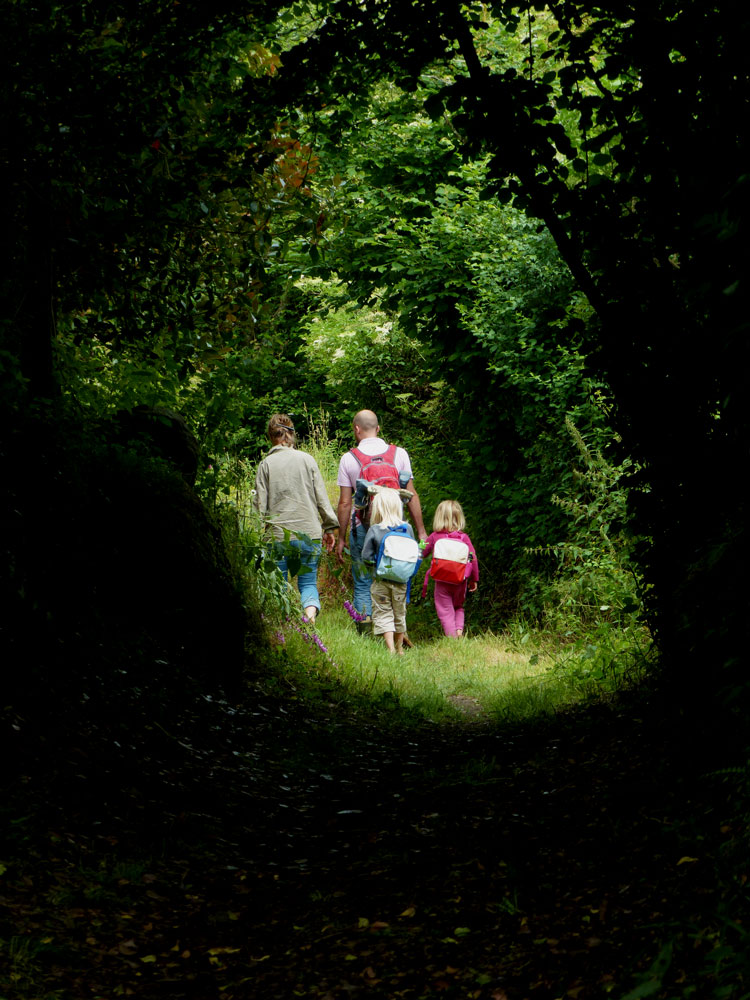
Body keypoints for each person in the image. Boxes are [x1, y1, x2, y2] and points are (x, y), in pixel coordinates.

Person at [336, 409, 426, 620]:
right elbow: (411, 494)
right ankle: (394, 630)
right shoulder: (399, 454)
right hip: (396, 529)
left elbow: (345, 503)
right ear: (378, 429)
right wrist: (420, 531)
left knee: (363, 582)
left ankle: (367, 630)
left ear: (356, 429)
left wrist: (341, 537)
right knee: (397, 579)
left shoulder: (348, 459)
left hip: (363, 529)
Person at [255, 414, 337, 624]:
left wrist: (257, 533)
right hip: (309, 534)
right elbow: (322, 498)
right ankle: (309, 618)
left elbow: (259, 507)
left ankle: (286, 626)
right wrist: (329, 527)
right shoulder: (307, 460)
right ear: (291, 434)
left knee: (280, 584)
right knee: (308, 582)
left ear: (271, 437)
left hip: (278, 536)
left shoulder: (266, 464)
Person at [360, 489, 415, 654]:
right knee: (399, 613)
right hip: (402, 581)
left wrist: (373, 565)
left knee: (384, 612)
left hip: (381, 580)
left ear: (377, 509)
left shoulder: (375, 529)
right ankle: (400, 649)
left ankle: (390, 648)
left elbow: (366, 556)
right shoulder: (408, 529)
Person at [420, 500, 479, 638]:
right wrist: (474, 579)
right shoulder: (464, 537)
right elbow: (473, 558)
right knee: (458, 606)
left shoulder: (435, 536)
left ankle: (452, 639)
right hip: (460, 581)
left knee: (445, 610)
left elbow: (421, 551)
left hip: (442, 582)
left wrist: (422, 541)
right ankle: (459, 631)